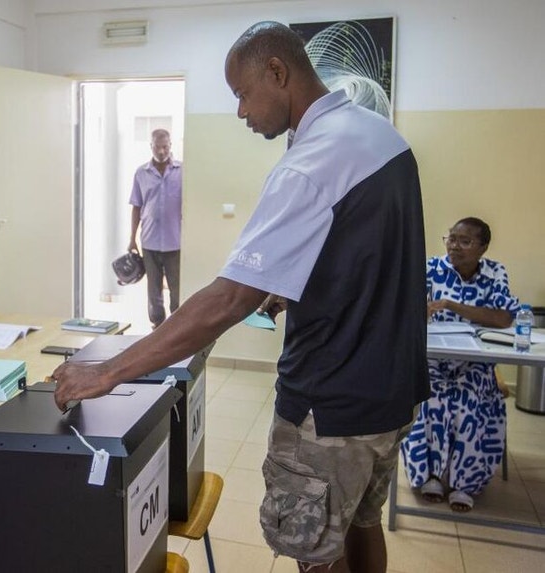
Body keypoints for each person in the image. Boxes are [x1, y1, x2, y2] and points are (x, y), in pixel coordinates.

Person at [52, 21, 428, 573]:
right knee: (361, 525)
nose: (240, 112)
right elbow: (363, 260)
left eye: (242, 94)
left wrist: (108, 372)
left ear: (278, 73)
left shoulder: (311, 162)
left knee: (318, 555)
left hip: (331, 406)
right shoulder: (379, 136)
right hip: (391, 394)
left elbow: (229, 298)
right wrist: (291, 291)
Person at [401, 217, 519, 512]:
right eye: (451, 239)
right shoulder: (431, 269)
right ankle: (430, 475)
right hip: (434, 360)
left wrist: (452, 305)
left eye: (464, 241)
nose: (454, 246)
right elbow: (403, 309)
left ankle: (463, 481)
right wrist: (420, 312)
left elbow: (504, 318)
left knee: (470, 400)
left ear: (483, 247)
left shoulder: (495, 273)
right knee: (431, 398)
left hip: (475, 364)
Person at [128, 128, 183, 329]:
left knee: (176, 290)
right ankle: (157, 329)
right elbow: (136, 207)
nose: (161, 151)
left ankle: (175, 332)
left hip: (175, 243)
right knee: (154, 291)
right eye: (157, 147)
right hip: (149, 242)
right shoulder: (141, 173)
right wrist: (132, 238)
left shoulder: (182, 171)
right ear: (151, 146)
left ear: (170, 145)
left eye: (165, 146)